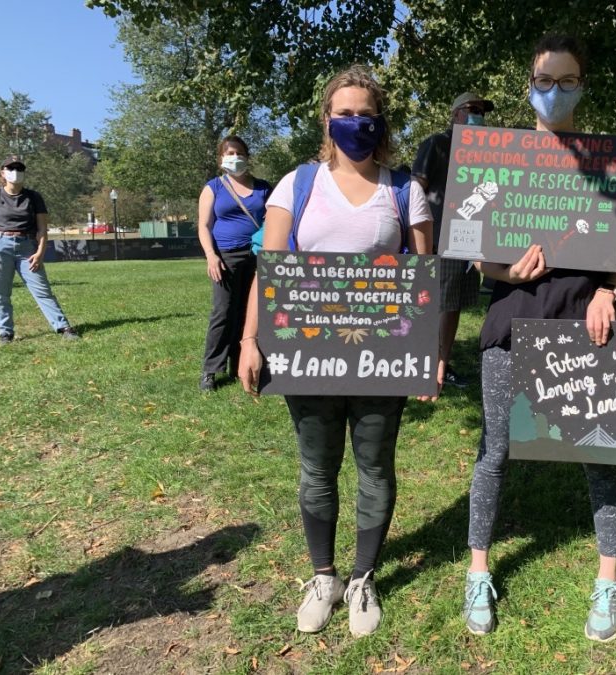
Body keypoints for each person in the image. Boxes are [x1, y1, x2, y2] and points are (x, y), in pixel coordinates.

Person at [238, 66, 435, 637]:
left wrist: (427, 354)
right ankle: (324, 577)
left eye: (364, 114)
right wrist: (250, 341)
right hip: (307, 357)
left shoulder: (405, 191)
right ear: (327, 120)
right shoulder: (296, 185)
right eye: (343, 113)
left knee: (374, 466)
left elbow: (424, 279)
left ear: (381, 120)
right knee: (317, 467)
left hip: (383, 359)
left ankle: (364, 576)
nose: (355, 123)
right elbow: (268, 274)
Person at [463, 35, 616, 641]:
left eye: (568, 81)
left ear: (582, 85)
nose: (555, 92)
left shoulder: (605, 161)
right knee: (495, 451)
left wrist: (607, 291)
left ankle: (607, 578)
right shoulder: (497, 156)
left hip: (584, 326)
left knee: (598, 450)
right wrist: (505, 271)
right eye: (546, 80)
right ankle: (478, 571)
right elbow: (474, 252)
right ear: (528, 85)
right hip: (511, 323)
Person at [412, 92, 493, 387]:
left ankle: (442, 363)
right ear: (456, 113)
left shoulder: (485, 152)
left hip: (470, 240)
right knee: (438, 304)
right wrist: (421, 237)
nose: (479, 115)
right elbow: (415, 190)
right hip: (439, 239)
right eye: (473, 109)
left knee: (454, 304)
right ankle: (429, 364)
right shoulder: (436, 144)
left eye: (482, 111)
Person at [197, 135, 272, 391]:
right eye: (229, 153)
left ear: (247, 156)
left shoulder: (263, 188)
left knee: (251, 311)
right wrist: (211, 255)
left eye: (238, 152)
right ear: (221, 159)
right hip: (225, 256)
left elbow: (274, 220)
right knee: (223, 311)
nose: (234, 157)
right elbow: (204, 225)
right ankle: (210, 369)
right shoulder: (214, 187)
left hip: (257, 256)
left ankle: (243, 362)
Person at [0, 155, 79, 345]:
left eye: (19, 169)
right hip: (0, 245)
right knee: (1, 293)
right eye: (11, 168)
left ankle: (63, 326)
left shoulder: (34, 197)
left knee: (42, 289)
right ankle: (5, 332)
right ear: (2, 173)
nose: (15, 172)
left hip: (28, 247)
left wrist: (40, 252)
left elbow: (42, 228)